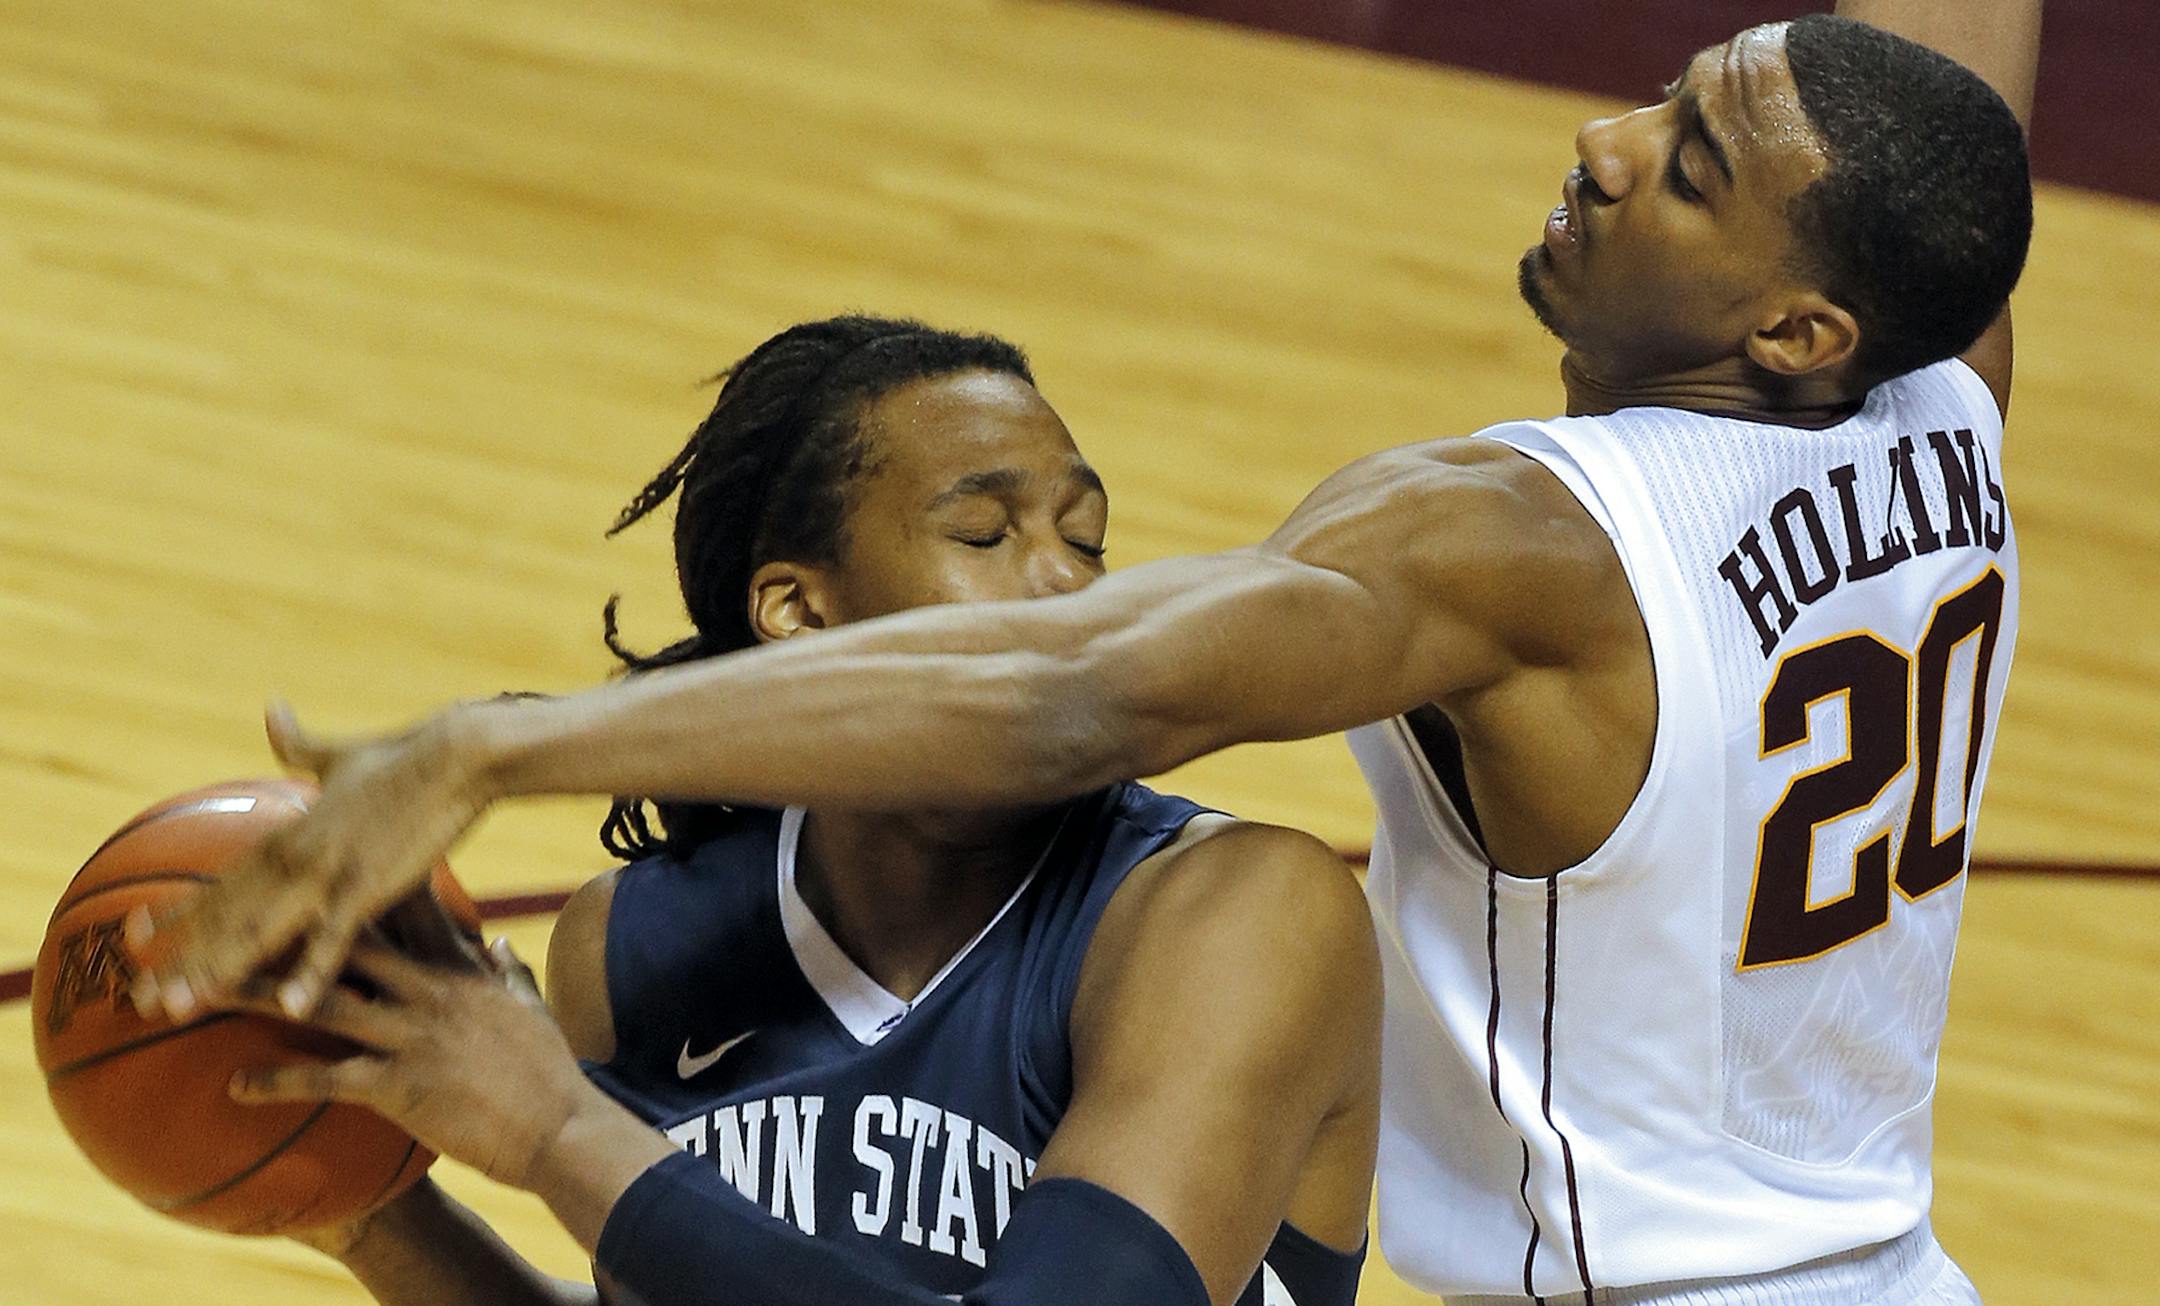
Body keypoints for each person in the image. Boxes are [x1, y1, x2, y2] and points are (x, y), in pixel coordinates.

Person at [134, 2, 2039, 1301]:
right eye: (1671, 96)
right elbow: (1945, 110)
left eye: (1694, 168)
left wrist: (491, 750)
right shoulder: (1941, 402)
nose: (1611, 143)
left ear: (1795, 327)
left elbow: (1066, 693)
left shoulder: (1518, 543)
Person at [225, 318, 1381, 1306]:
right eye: (986, 535)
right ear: (797, 609)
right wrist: (362, 1206)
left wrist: (559, 1134)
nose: (1068, 585)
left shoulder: (1237, 915)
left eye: (1087, 539)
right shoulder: (630, 951)